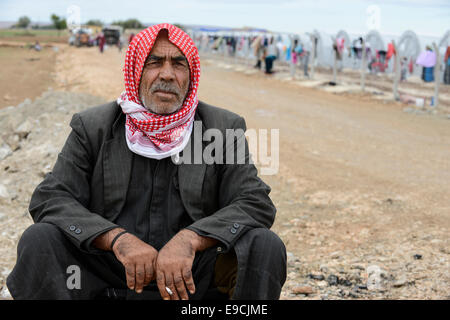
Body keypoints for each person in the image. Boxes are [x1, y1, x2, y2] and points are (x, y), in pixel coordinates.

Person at [6, 23, 286, 300]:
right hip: (108, 272)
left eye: (178, 64)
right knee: (39, 239)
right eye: (154, 62)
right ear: (137, 69)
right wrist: (117, 239)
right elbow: (51, 197)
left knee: (264, 245)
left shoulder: (222, 128)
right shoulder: (93, 127)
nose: (167, 74)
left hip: (193, 278)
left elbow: (254, 201)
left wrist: (190, 240)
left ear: (190, 75)